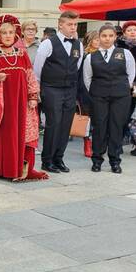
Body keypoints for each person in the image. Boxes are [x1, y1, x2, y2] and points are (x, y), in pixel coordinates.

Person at [0, 15, 47, 181]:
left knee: (19, 134)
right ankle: (0, 168)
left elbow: (30, 77)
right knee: (3, 135)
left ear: (15, 34)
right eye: (4, 32)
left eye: (11, 32)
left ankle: (18, 167)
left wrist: (33, 96)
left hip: (20, 104)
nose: (7, 35)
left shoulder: (22, 54)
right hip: (0, 105)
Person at [33, 10, 83, 174]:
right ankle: (47, 160)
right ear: (60, 25)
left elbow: (77, 66)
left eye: (75, 25)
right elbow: (38, 68)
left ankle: (58, 158)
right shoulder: (48, 43)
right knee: (53, 124)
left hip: (70, 88)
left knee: (65, 125)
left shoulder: (78, 44)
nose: (73, 28)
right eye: (69, 24)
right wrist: (38, 89)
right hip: (51, 88)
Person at [84, 24, 135, 173]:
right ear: (99, 37)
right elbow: (87, 79)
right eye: (104, 36)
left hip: (120, 96)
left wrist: (123, 88)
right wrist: (97, 91)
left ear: (115, 37)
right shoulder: (90, 57)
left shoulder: (125, 53)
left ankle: (115, 160)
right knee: (99, 127)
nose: (107, 39)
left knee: (116, 126)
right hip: (99, 96)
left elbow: (130, 74)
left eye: (110, 36)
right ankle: (97, 159)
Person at [78, 31, 100, 158]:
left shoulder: (104, 54)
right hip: (86, 92)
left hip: (100, 91)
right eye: (96, 39)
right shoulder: (86, 55)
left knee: (98, 120)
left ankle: (97, 144)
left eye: (99, 39)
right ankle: (87, 143)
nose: (98, 42)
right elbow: (82, 76)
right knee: (88, 120)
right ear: (90, 41)